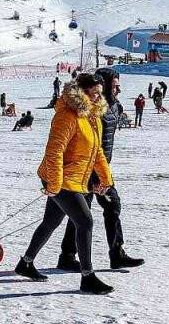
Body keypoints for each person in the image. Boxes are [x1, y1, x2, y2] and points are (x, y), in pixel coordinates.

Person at [14, 73, 115, 294]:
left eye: (100, 93)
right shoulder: (67, 116)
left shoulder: (92, 117)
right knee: (85, 222)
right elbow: (54, 151)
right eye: (94, 93)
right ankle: (87, 277)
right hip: (59, 178)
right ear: (82, 92)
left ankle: (26, 263)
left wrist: (107, 180)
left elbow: (97, 151)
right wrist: (55, 184)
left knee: (51, 222)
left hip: (75, 179)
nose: (99, 97)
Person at [58, 68, 143, 271]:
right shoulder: (92, 108)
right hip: (88, 169)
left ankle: (75, 255)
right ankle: (106, 254)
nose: (118, 89)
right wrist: (96, 176)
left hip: (101, 166)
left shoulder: (114, 106)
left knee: (86, 213)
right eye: (115, 85)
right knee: (98, 210)